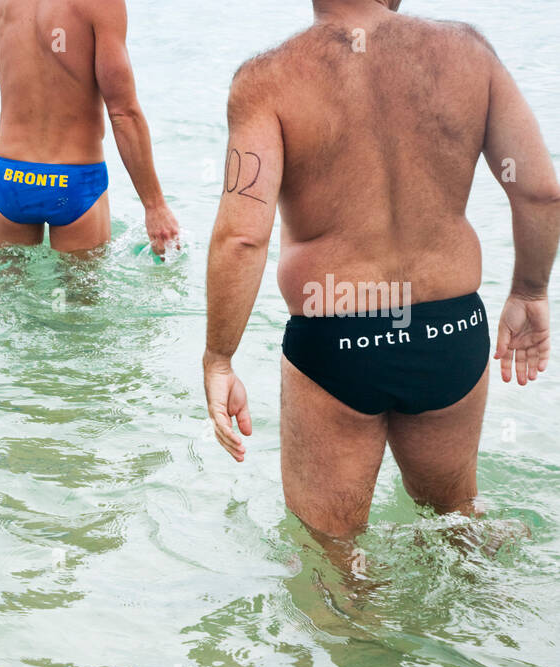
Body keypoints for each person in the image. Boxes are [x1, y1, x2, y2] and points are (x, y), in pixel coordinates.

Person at [204, 0, 560, 539]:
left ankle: (357, 620)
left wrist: (219, 358)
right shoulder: (470, 54)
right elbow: (539, 192)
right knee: (456, 525)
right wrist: (530, 292)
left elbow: (243, 237)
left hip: (336, 336)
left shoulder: (267, 80)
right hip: (453, 332)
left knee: (332, 555)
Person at [0, 0, 179, 255]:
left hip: (10, 178)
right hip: (74, 180)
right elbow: (123, 112)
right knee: (80, 293)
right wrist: (155, 205)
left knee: (7, 293)